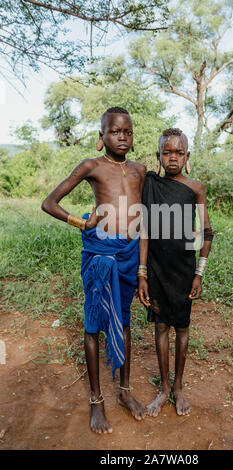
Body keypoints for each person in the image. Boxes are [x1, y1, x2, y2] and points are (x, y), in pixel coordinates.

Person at [41, 107, 147, 434]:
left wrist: (143, 270)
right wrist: (80, 221)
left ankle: (125, 393)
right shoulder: (92, 166)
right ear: (101, 137)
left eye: (128, 132)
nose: (123, 137)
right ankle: (96, 400)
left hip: (129, 254)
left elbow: (143, 223)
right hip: (101, 253)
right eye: (115, 132)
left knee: (125, 320)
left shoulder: (140, 170)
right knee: (93, 325)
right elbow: (50, 202)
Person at [138, 128, 214, 417]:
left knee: (182, 328)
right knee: (160, 327)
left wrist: (199, 273)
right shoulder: (150, 184)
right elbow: (144, 230)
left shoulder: (195, 188)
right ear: (158, 156)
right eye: (166, 152)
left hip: (183, 269)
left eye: (178, 152)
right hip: (156, 268)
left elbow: (206, 233)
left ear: (187, 156)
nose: (173, 157)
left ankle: (179, 386)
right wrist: (142, 274)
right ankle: (164, 389)